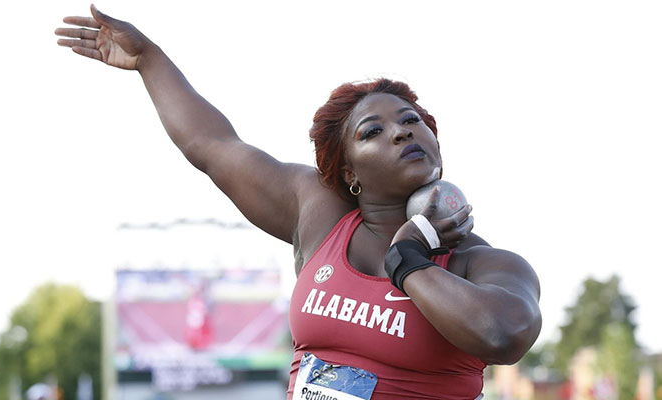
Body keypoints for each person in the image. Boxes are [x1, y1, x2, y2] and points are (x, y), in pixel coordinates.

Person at [56, 6, 541, 399]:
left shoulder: (484, 265)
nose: (401, 131)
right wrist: (151, 60)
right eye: (373, 131)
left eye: (412, 120)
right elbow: (215, 147)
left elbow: (502, 335)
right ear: (348, 171)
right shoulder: (319, 214)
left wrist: (408, 259)